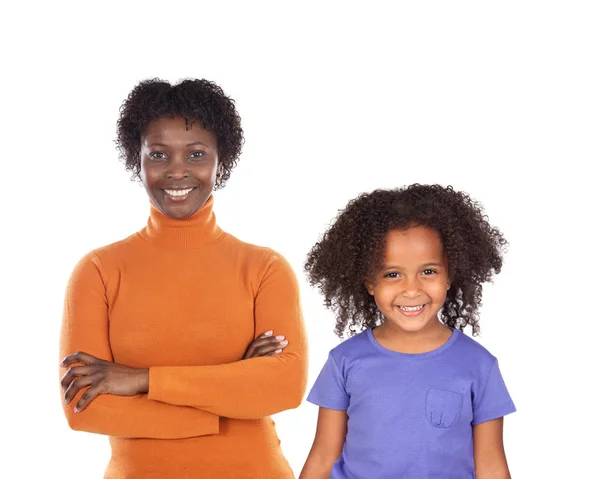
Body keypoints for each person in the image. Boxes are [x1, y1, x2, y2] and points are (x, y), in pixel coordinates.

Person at [59, 78, 307, 478]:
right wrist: (227, 398)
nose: (177, 172)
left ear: (220, 162)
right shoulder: (99, 271)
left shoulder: (264, 268)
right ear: (135, 160)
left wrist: (139, 380)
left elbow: (284, 388)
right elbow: (86, 408)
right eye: (158, 154)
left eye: (196, 154)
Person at [300, 184, 516, 479]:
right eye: (392, 274)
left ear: (450, 274)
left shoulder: (479, 365)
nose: (412, 290)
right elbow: (323, 456)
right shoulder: (344, 361)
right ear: (369, 283)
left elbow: (491, 465)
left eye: (428, 271)